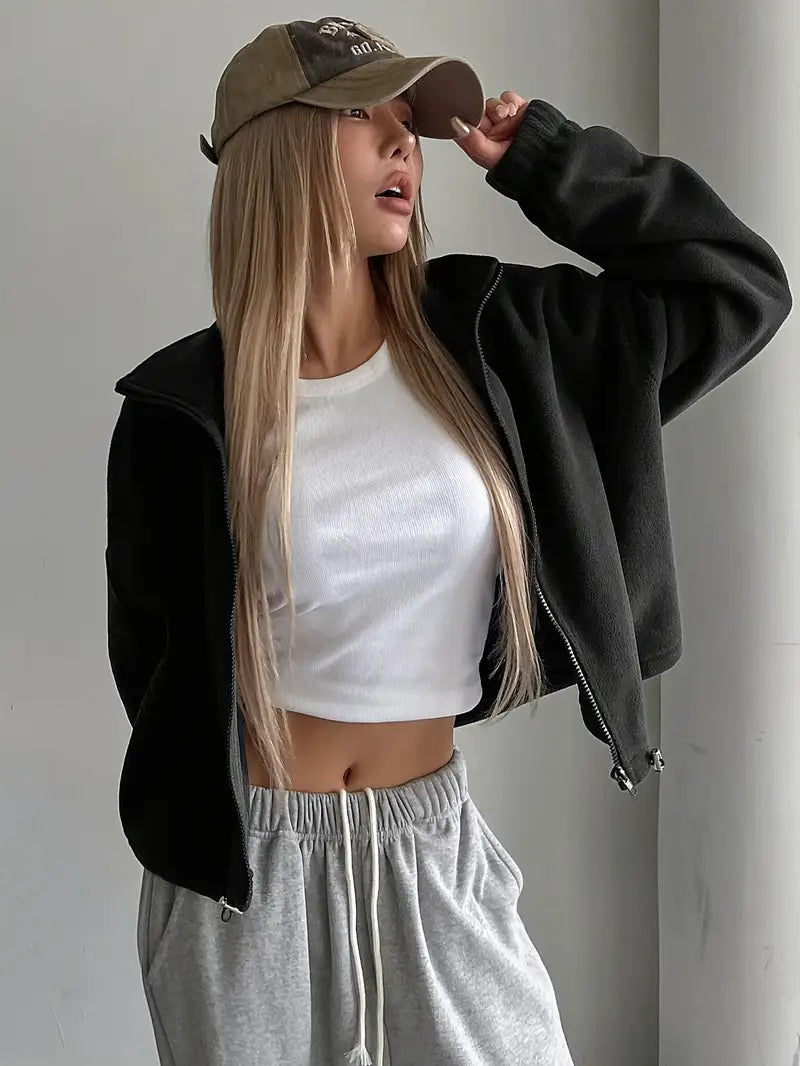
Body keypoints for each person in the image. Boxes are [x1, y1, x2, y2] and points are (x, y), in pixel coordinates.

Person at [105, 15, 792, 1066]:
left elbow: (735, 287)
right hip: (244, 880)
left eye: (407, 122)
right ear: (277, 149)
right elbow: (155, 670)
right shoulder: (180, 411)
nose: (402, 143)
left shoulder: (498, 337)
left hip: (432, 848)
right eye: (363, 117)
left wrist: (547, 161)